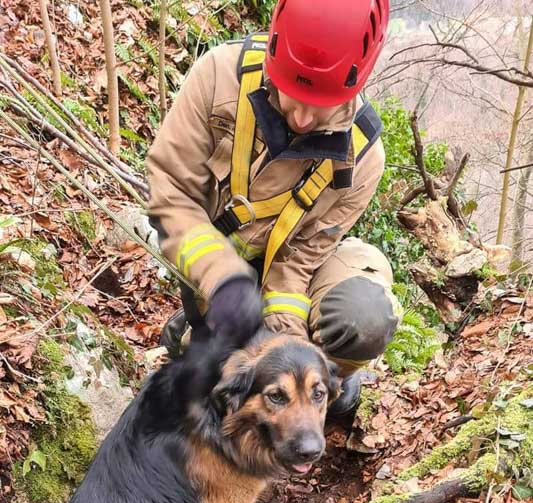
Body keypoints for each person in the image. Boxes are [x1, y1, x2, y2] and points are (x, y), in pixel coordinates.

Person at [147, 0, 401, 416]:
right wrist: (222, 280)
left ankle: (331, 382)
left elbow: (298, 263)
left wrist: (290, 351)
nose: (300, 117)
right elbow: (172, 191)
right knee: (215, 387)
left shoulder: (363, 156)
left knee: (364, 318)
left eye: (319, 104)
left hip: (300, 272)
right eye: (292, 94)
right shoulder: (219, 77)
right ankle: (201, 334)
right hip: (222, 265)